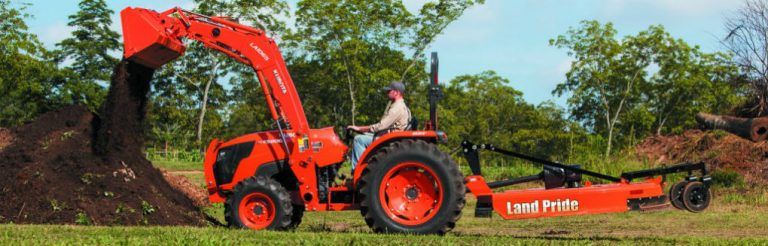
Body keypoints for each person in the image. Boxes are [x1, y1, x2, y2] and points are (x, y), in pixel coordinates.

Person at [347, 81, 411, 173]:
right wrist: (365, 130)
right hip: (388, 135)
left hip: (388, 139)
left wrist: (359, 128)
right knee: (364, 135)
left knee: (358, 140)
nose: (387, 93)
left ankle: (358, 172)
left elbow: (381, 126)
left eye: (389, 91)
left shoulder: (397, 108)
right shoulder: (399, 106)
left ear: (396, 92)